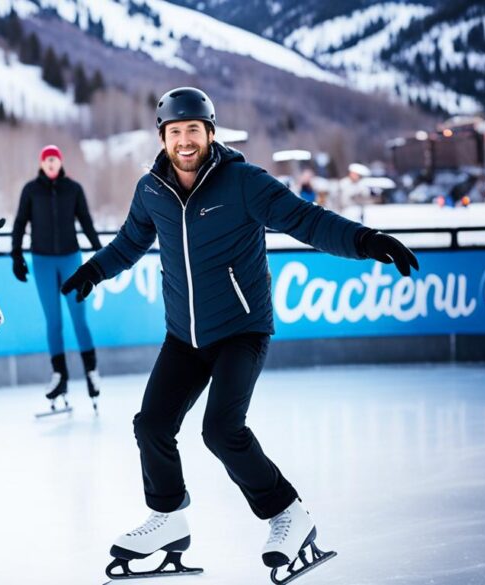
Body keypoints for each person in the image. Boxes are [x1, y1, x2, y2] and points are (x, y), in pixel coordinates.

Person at [61, 87, 419, 584]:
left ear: (210, 132)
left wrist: (365, 240)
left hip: (242, 330)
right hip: (183, 336)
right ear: (162, 138)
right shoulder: (152, 190)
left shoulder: (243, 182)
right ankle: (167, 519)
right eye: (174, 132)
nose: (184, 141)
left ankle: (290, 516)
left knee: (221, 431)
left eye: (193, 130)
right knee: (151, 426)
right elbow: (130, 241)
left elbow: (306, 220)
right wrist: (94, 271)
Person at [10, 144, 103, 411]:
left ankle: (91, 372)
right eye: (47, 160)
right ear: (41, 164)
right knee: (53, 321)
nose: (51, 164)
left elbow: (85, 221)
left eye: (55, 160)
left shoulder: (73, 189)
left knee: (79, 318)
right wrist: (15, 255)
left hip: (71, 259)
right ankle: (59, 376)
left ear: (60, 163)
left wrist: (101, 252)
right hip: (41, 261)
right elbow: (19, 223)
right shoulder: (30, 190)